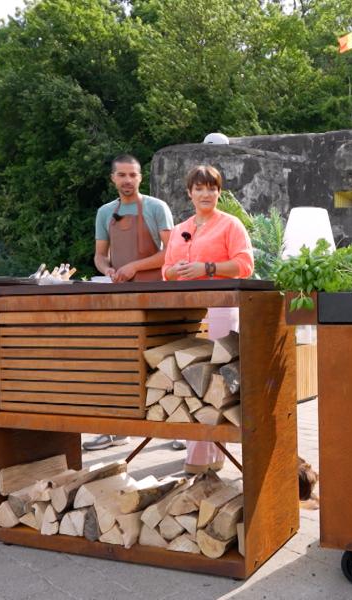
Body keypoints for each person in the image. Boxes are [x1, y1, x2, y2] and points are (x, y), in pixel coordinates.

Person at [163, 164, 254, 472]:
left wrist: (208, 268)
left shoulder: (230, 225)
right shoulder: (180, 228)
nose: (206, 194)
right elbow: (166, 270)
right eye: (199, 188)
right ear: (189, 193)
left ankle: (204, 458)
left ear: (219, 192)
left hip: (221, 310)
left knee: (215, 383)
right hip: (188, 312)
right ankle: (206, 456)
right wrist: (175, 271)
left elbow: (245, 265)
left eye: (212, 188)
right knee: (189, 380)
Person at [83, 154, 174, 452]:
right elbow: (99, 255)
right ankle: (115, 430)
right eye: (121, 175)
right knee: (118, 359)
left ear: (140, 177)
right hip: (121, 296)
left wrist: (134, 266)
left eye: (132, 175)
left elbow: (171, 252)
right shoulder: (104, 213)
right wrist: (107, 269)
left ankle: (181, 429)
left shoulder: (156, 208)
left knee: (163, 359)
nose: (127, 180)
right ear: (113, 178)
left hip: (156, 294)